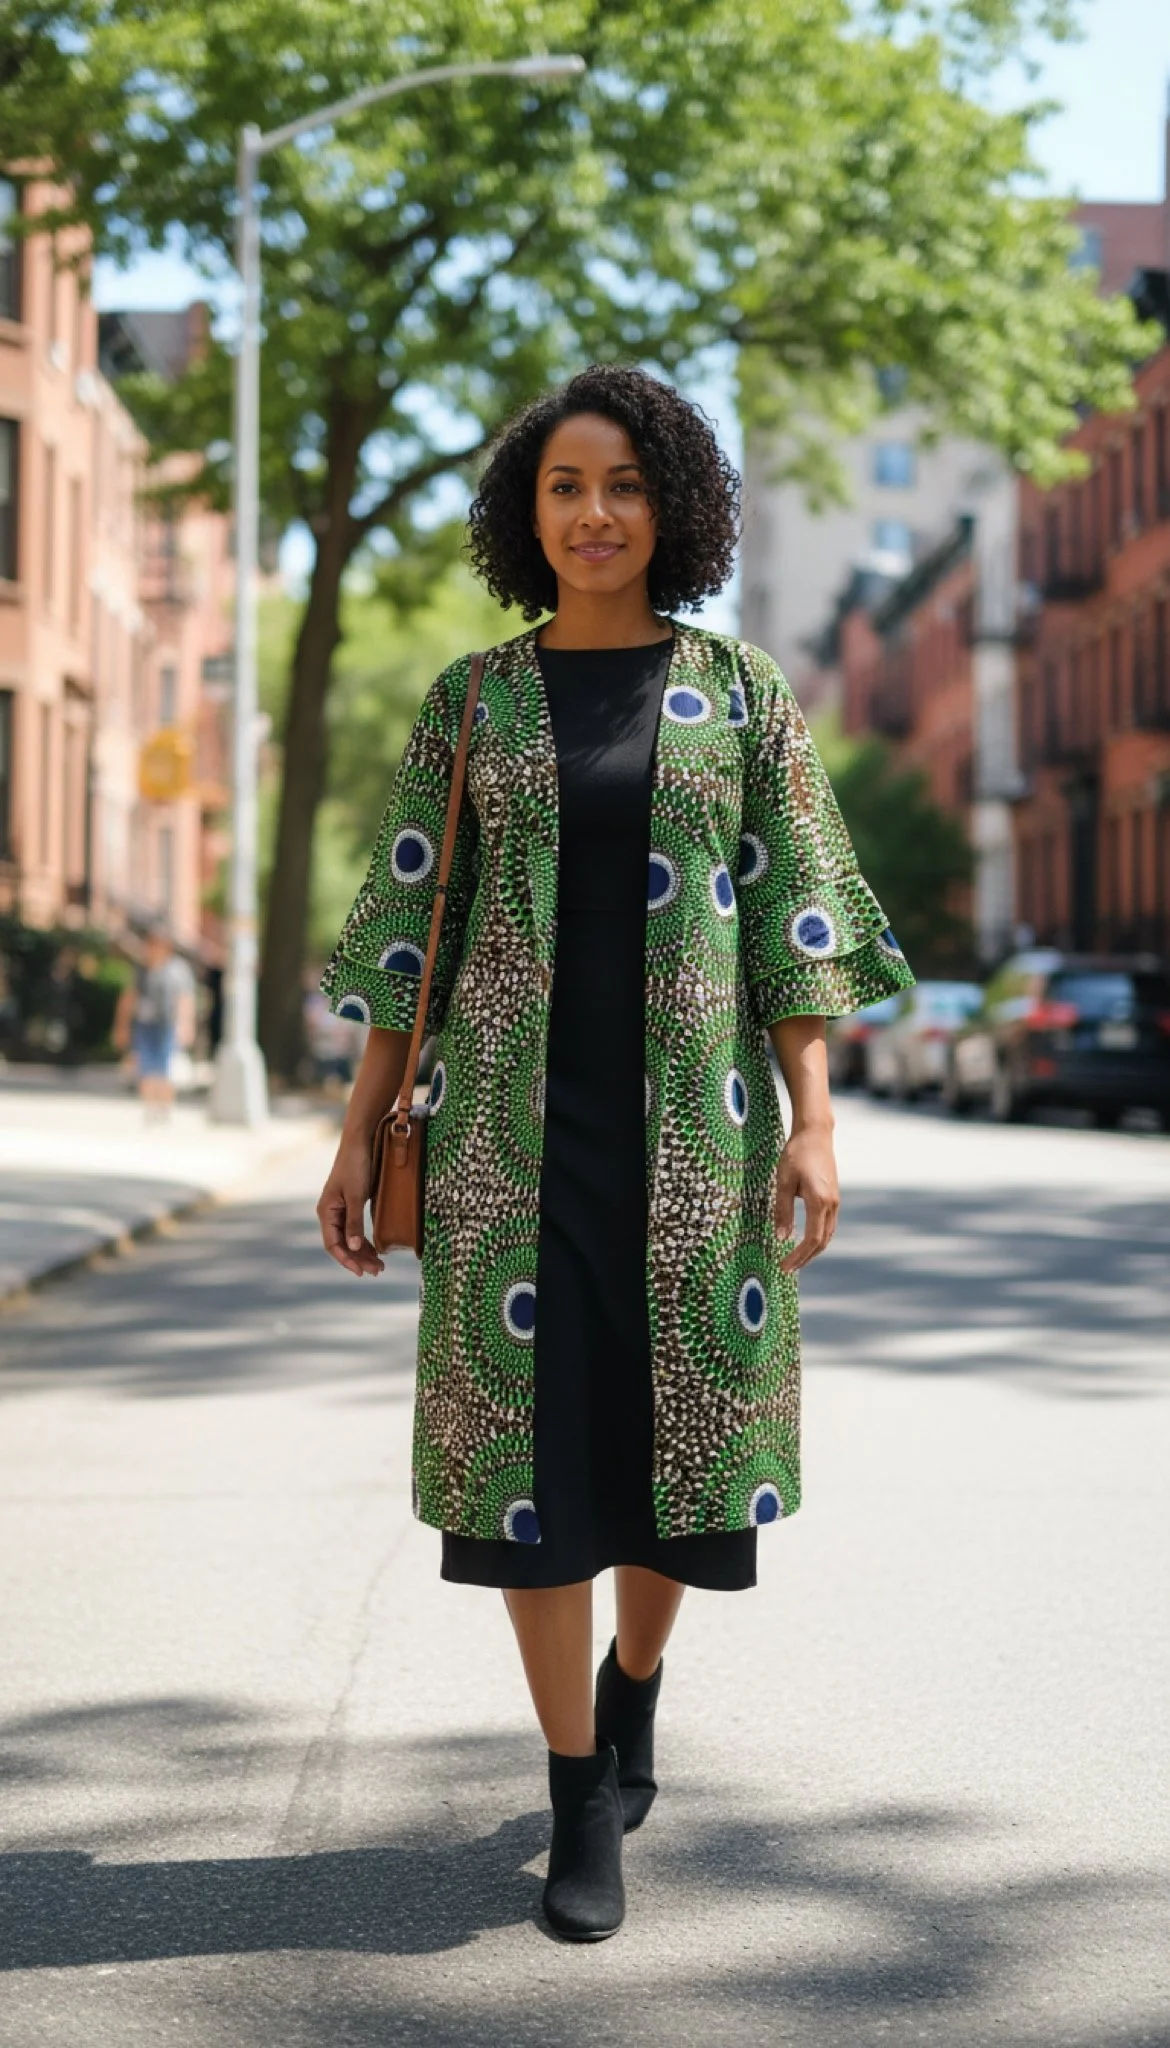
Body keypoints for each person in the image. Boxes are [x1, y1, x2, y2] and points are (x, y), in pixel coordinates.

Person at [315, 364, 915, 1941]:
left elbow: (794, 921)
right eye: (565, 486)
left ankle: (633, 1677)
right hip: (505, 1146)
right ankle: (577, 1782)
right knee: (527, 1465)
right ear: (527, 513)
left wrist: (814, 1122)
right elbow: (409, 930)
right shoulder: (470, 701)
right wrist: (358, 1130)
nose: (595, 514)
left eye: (626, 485)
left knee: (680, 1452)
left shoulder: (741, 692)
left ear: (676, 507)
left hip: (698, 1142)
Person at [113, 922, 196, 1116]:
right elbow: (129, 998)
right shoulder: (141, 969)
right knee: (146, 1066)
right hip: (144, 1024)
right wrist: (121, 1026)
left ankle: (164, 1105)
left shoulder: (177, 970)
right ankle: (150, 1106)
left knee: (165, 1066)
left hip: (167, 1024)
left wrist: (185, 1024)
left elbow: (185, 999)